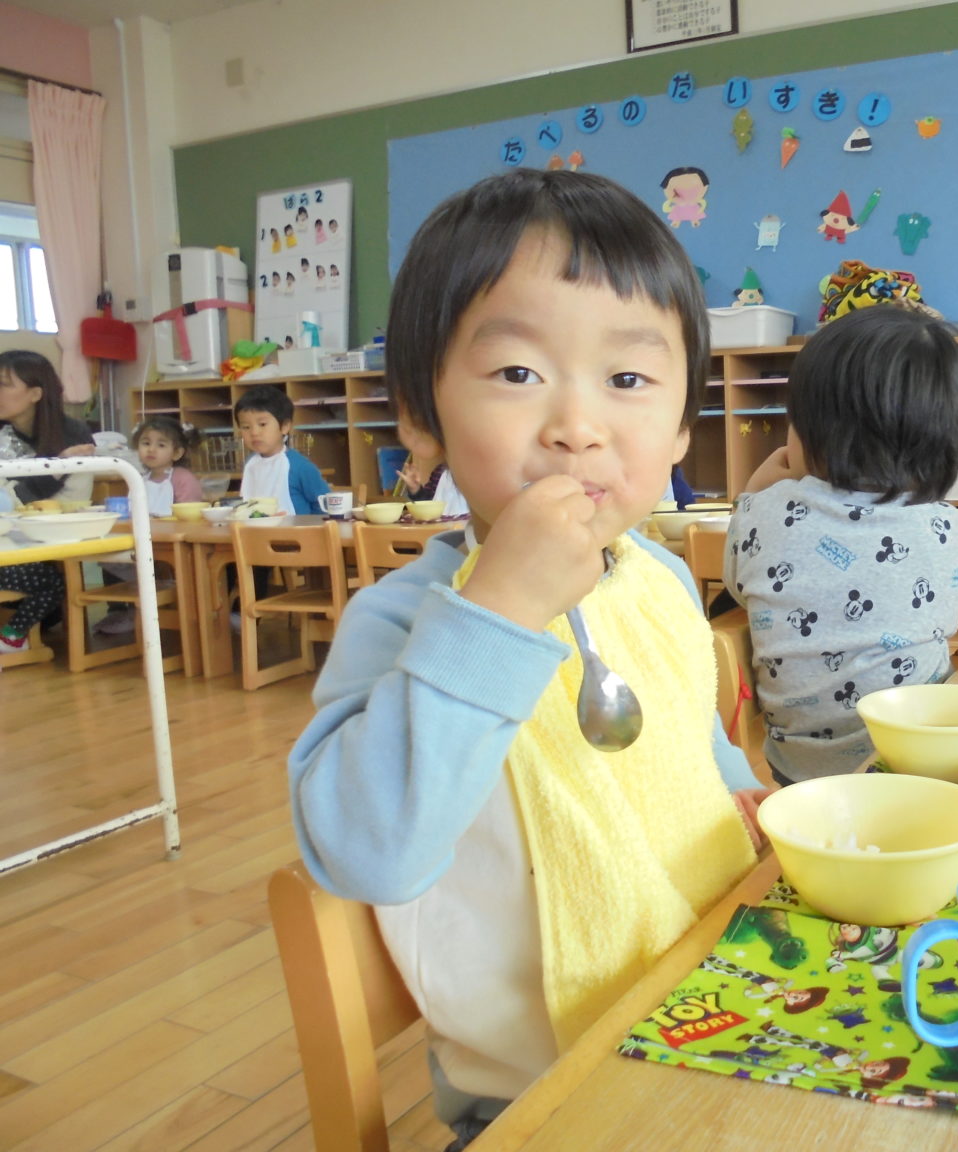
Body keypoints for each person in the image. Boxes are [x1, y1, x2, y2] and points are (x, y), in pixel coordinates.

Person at [288, 168, 765, 1148]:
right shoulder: (403, 620)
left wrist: (748, 808)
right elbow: (364, 852)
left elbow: (685, 749)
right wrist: (497, 607)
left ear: (680, 427)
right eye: (517, 374)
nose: (577, 426)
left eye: (628, 380)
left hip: (716, 1010)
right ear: (419, 418)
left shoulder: (663, 581)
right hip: (541, 1099)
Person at [723, 306, 958, 785]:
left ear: (813, 431)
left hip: (801, 773)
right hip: (919, 760)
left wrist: (754, 494)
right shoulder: (949, 527)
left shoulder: (764, 513)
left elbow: (742, 590)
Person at [0, 351, 94, 654]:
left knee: (52, 586)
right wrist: (55, 469)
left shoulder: (72, 434)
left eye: (3, 384)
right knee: (50, 585)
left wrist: (53, 470)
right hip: (10, 539)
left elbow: (64, 501)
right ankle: (14, 635)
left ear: (35, 394)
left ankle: (13, 635)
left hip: (47, 536)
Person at [94, 417, 204, 635]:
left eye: (161, 444)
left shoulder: (182, 478)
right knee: (108, 556)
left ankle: (148, 607)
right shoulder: (137, 478)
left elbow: (189, 515)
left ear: (177, 453)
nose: (151, 449)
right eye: (146, 443)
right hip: (142, 544)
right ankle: (120, 609)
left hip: (171, 548)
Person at [234, 385, 329, 514]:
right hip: (255, 532)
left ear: (284, 426)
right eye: (246, 427)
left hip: (295, 532)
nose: (254, 432)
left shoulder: (300, 467)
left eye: (262, 424)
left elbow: (326, 505)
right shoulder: (250, 463)